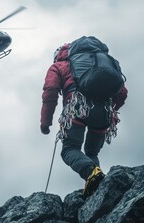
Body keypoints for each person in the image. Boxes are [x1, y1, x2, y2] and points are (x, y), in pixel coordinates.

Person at [40, 40, 128, 196]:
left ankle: (92, 173)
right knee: (92, 153)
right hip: (104, 112)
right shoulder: (103, 61)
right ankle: (98, 185)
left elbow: (50, 92)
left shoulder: (59, 66)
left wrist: (45, 123)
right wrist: (111, 109)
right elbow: (122, 93)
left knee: (69, 149)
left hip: (77, 108)